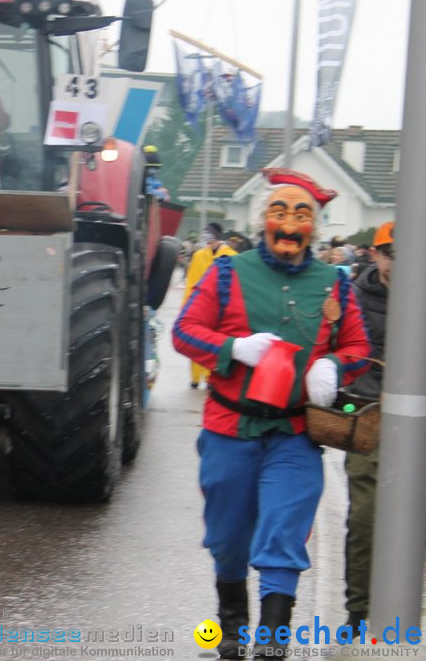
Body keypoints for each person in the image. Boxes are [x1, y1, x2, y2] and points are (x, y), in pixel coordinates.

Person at [173, 168, 371, 659]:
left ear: (314, 226)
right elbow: (184, 331)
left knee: (285, 531)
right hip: (229, 429)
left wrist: (333, 365)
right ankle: (232, 631)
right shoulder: (227, 272)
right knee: (229, 537)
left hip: (296, 432)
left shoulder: (335, 284)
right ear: (264, 220)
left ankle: (272, 646)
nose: (288, 223)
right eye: (279, 212)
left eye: (301, 214)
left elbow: (359, 347)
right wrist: (233, 349)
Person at [343, 221, 394, 630]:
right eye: (390, 253)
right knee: (364, 518)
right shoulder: (353, 298)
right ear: (374, 254)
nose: (398, 263)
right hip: (368, 416)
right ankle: (358, 613)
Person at [182, 222, 237, 389]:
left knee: (215, 341)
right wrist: (186, 306)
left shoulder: (231, 255)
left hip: (221, 305)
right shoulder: (199, 256)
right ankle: (195, 377)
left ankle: (210, 376)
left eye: (211, 238)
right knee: (197, 339)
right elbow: (191, 282)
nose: (208, 242)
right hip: (200, 304)